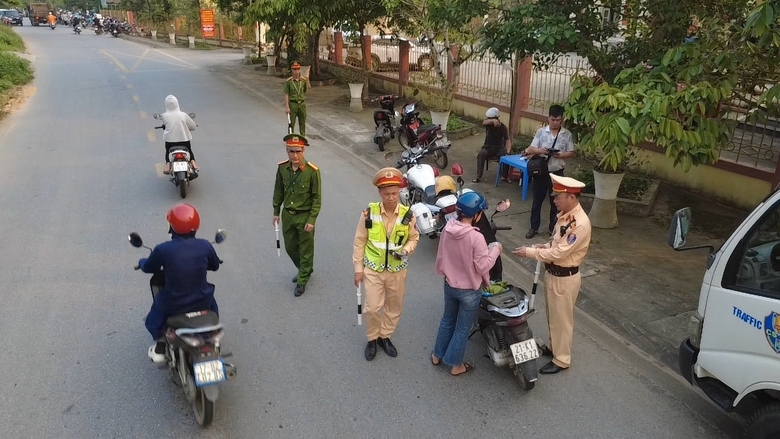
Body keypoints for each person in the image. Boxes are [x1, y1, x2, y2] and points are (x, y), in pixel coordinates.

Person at [511, 174, 591, 374]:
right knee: (553, 317)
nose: (554, 200)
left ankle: (562, 360)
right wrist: (542, 246)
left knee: (562, 321)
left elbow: (560, 252)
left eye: (558, 197)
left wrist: (530, 253)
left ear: (571, 197)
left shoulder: (579, 223)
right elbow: (556, 243)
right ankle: (554, 347)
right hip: (553, 274)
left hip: (565, 277)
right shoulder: (565, 216)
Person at [139, 204, 221, 363]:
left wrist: (142, 262)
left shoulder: (163, 249)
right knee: (213, 305)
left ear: (171, 227)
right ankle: (211, 332)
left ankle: (160, 344)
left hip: (174, 304)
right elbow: (215, 265)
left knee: (153, 317)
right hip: (202, 300)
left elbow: (149, 267)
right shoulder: (205, 246)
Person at [352, 167, 420, 361]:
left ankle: (385, 336)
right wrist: (358, 269)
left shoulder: (408, 215)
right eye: (387, 194)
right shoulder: (369, 214)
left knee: (394, 306)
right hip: (373, 269)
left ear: (399, 192)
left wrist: (407, 249)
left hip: (397, 270)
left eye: (395, 193)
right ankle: (373, 338)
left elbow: (414, 238)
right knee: (372, 308)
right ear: (380, 193)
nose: (391, 198)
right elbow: (359, 242)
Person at [431, 192, 502, 375]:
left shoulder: (448, 229)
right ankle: (455, 365)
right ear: (477, 214)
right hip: (469, 290)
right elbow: (482, 266)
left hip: (449, 284)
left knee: (447, 320)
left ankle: (437, 355)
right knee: (462, 328)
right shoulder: (476, 237)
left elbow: (442, 255)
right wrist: (495, 251)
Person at [273, 134, 322, 297]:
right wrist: (276, 212)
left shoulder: (312, 171)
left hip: (304, 216)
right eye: (291, 151)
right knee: (290, 247)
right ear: (287, 151)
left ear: (303, 150)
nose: (295, 155)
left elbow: (317, 198)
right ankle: (305, 269)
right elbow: (278, 190)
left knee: (306, 249)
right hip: (288, 215)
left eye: (298, 151)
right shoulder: (282, 168)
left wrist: (312, 219)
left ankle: (302, 279)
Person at [522, 104, 576, 239]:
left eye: (558, 120)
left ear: (562, 120)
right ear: (548, 118)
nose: (555, 123)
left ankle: (554, 229)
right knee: (537, 202)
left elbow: (571, 152)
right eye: (553, 120)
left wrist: (561, 155)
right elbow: (531, 149)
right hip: (541, 173)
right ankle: (533, 227)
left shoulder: (566, 134)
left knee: (556, 203)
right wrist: (543, 151)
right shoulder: (541, 132)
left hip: (557, 173)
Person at [160, 95, 198, 174]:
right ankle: (193, 163)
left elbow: (165, 125)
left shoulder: (164, 116)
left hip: (170, 142)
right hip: (184, 140)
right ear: (177, 103)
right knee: (189, 150)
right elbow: (192, 126)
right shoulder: (183, 115)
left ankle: (168, 164)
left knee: (168, 151)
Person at [472, 108, 511, 183]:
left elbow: (507, 140)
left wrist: (508, 151)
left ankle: (504, 176)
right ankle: (478, 176)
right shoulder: (488, 125)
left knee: (505, 156)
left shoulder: (503, 127)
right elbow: (484, 122)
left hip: (499, 148)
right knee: (481, 154)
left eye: (490, 118)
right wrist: (492, 121)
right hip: (488, 147)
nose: (488, 119)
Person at [284, 61, 308, 137]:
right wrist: (287, 107)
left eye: (298, 69)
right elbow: (286, 94)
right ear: (292, 70)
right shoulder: (288, 82)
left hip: (301, 104)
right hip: (293, 103)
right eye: (294, 69)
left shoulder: (304, 81)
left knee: (302, 122)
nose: (296, 71)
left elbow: (305, 91)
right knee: (291, 122)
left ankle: (303, 137)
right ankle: (291, 137)